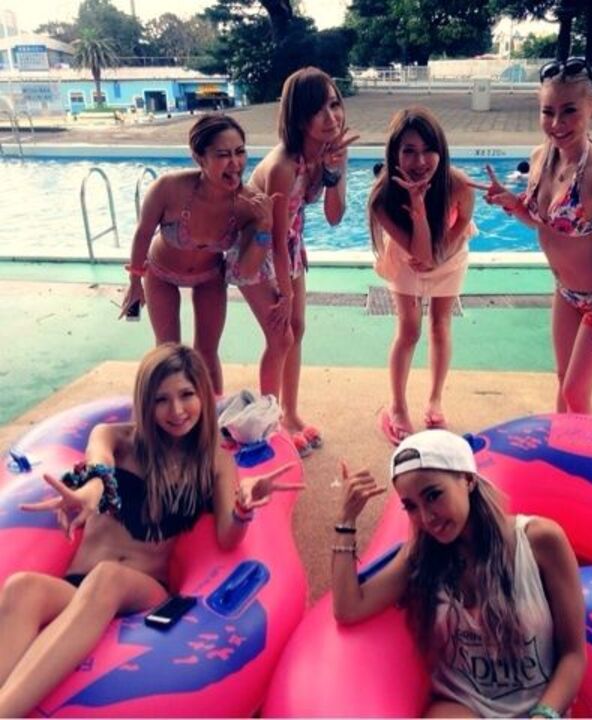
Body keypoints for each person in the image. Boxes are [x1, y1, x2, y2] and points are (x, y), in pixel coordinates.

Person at [0, 343, 301, 718]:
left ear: (202, 395)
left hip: (142, 592)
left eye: (186, 395)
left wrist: (242, 509)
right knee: (22, 587)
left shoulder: (213, 460)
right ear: (145, 403)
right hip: (76, 588)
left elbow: (228, 537)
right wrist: (91, 491)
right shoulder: (114, 438)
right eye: (161, 400)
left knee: (107, 577)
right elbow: (99, 469)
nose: (176, 410)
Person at [332, 429, 586, 718]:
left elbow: (573, 655)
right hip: (462, 706)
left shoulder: (540, 541)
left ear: (467, 479)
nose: (426, 518)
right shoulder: (420, 555)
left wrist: (544, 714)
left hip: (540, 708)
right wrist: (345, 520)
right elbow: (348, 608)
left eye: (433, 495)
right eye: (411, 506)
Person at [478, 57, 592, 414]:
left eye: (569, 111)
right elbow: (540, 223)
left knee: (577, 393)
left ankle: (588, 450)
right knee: (563, 379)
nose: (557, 123)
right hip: (565, 292)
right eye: (548, 112)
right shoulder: (540, 158)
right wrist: (513, 204)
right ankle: (561, 444)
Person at [229, 67, 357, 457]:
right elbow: (273, 239)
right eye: (318, 110)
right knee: (280, 335)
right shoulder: (283, 166)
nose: (331, 117)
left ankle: (290, 414)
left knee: (296, 329)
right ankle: (270, 425)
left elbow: (334, 216)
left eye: (334, 104)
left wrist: (333, 171)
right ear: (299, 118)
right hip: (257, 248)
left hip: (288, 244)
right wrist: (283, 292)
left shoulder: (331, 152)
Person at [121, 114, 276, 395]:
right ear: (199, 158)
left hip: (209, 277)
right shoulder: (168, 189)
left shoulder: (248, 204)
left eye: (240, 152)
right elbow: (143, 233)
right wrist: (135, 282)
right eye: (223, 155)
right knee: (168, 350)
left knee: (206, 352)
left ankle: (211, 412)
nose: (235, 163)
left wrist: (264, 226)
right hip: (161, 273)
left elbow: (247, 271)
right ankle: (166, 410)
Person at [369, 107, 476, 444]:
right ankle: (397, 406)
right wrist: (416, 206)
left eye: (429, 150)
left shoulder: (457, 183)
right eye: (409, 151)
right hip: (406, 257)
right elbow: (419, 253)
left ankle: (435, 400)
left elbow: (463, 222)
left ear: (441, 150)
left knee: (440, 324)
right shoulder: (382, 199)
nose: (420, 161)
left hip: (450, 252)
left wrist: (441, 253)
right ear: (394, 154)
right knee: (409, 329)